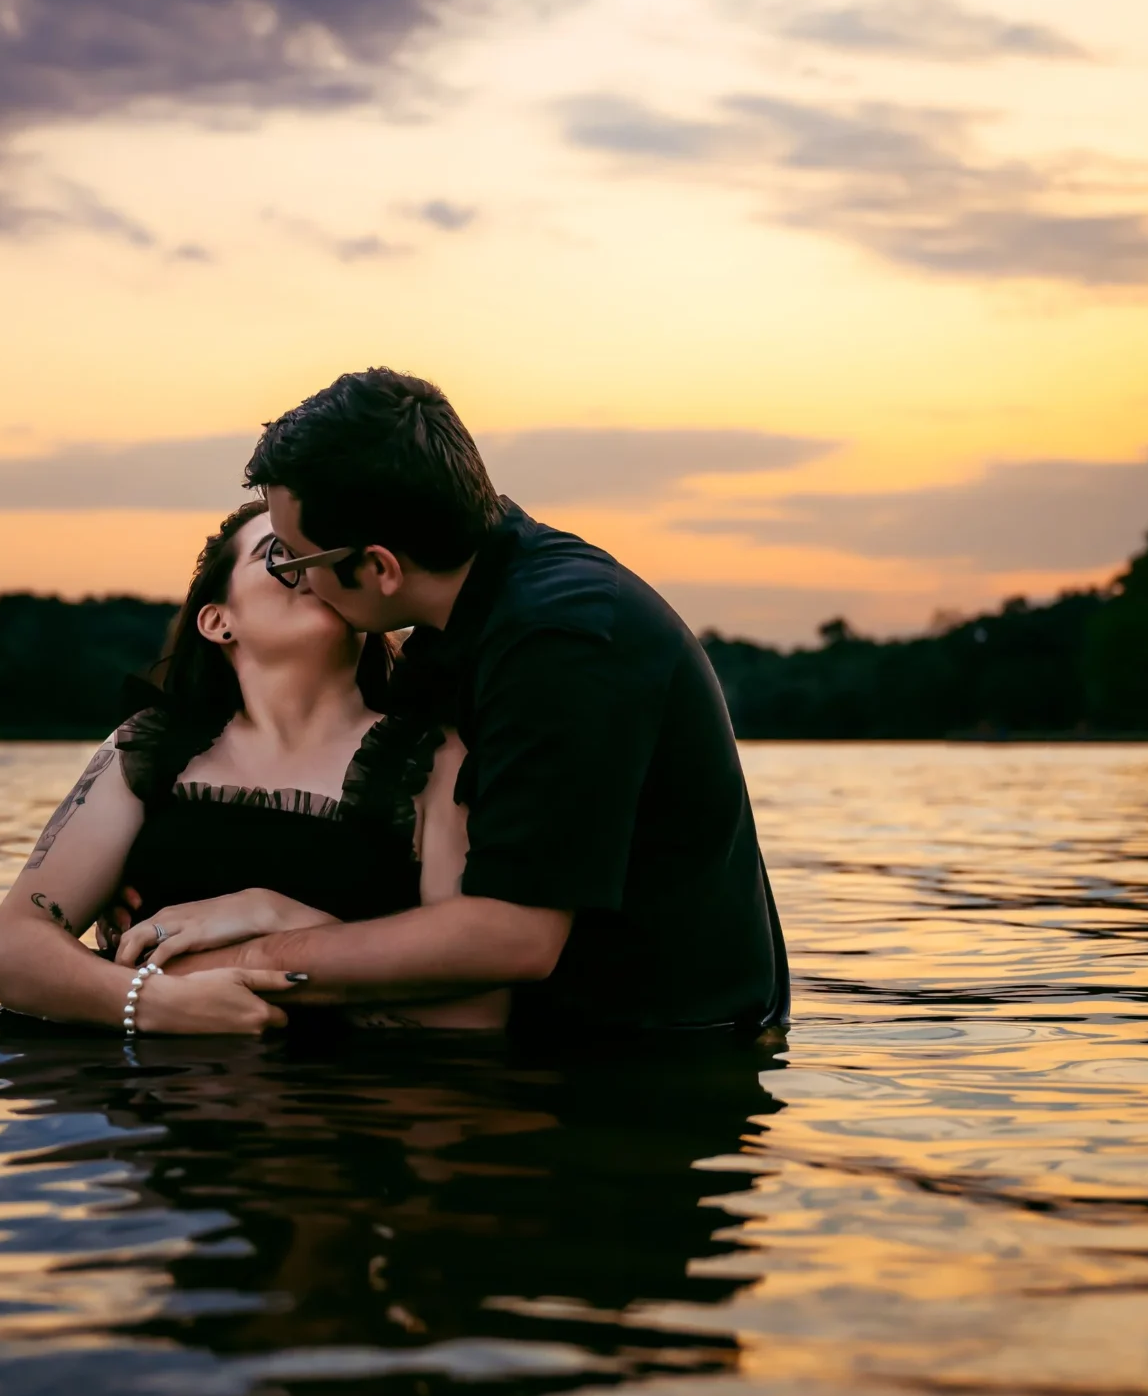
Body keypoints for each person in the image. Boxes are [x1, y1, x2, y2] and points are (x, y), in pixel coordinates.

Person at [156, 366, 788, 1039]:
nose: (296, 582)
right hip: (533, 1039)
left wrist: (235, 962)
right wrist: (181, 883)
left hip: (650, 1059)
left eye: (297, 562)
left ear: (378, 568)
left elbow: (511, 935)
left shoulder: (563, 647)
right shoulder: (462, 613)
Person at [0, 500, 495, 1035]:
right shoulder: (150, 749)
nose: (308, 570)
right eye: (281, 555)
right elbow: (10, 953)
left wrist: (281, 920)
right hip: (152, 1104)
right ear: (218, 620)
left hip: (350, 1104)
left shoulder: (435, 760)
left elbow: (477, 1011)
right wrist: (152, 1004)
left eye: (320, 553)